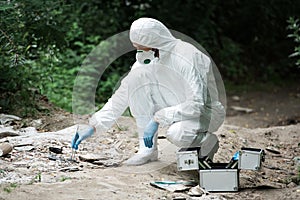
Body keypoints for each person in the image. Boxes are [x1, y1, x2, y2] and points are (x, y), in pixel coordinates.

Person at [71, 17, 226, 166]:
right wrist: (93, 126)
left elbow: (196, 105)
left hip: (205, 113)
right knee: (135, 83)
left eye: (140, 48)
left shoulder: (188, 57)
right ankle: (147, 150)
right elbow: (121, 96)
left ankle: (208, 143)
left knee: (177, 133)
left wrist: (158, 118)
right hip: (175, 107)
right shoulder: (148, 61)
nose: (138, 52)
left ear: (154, 43)